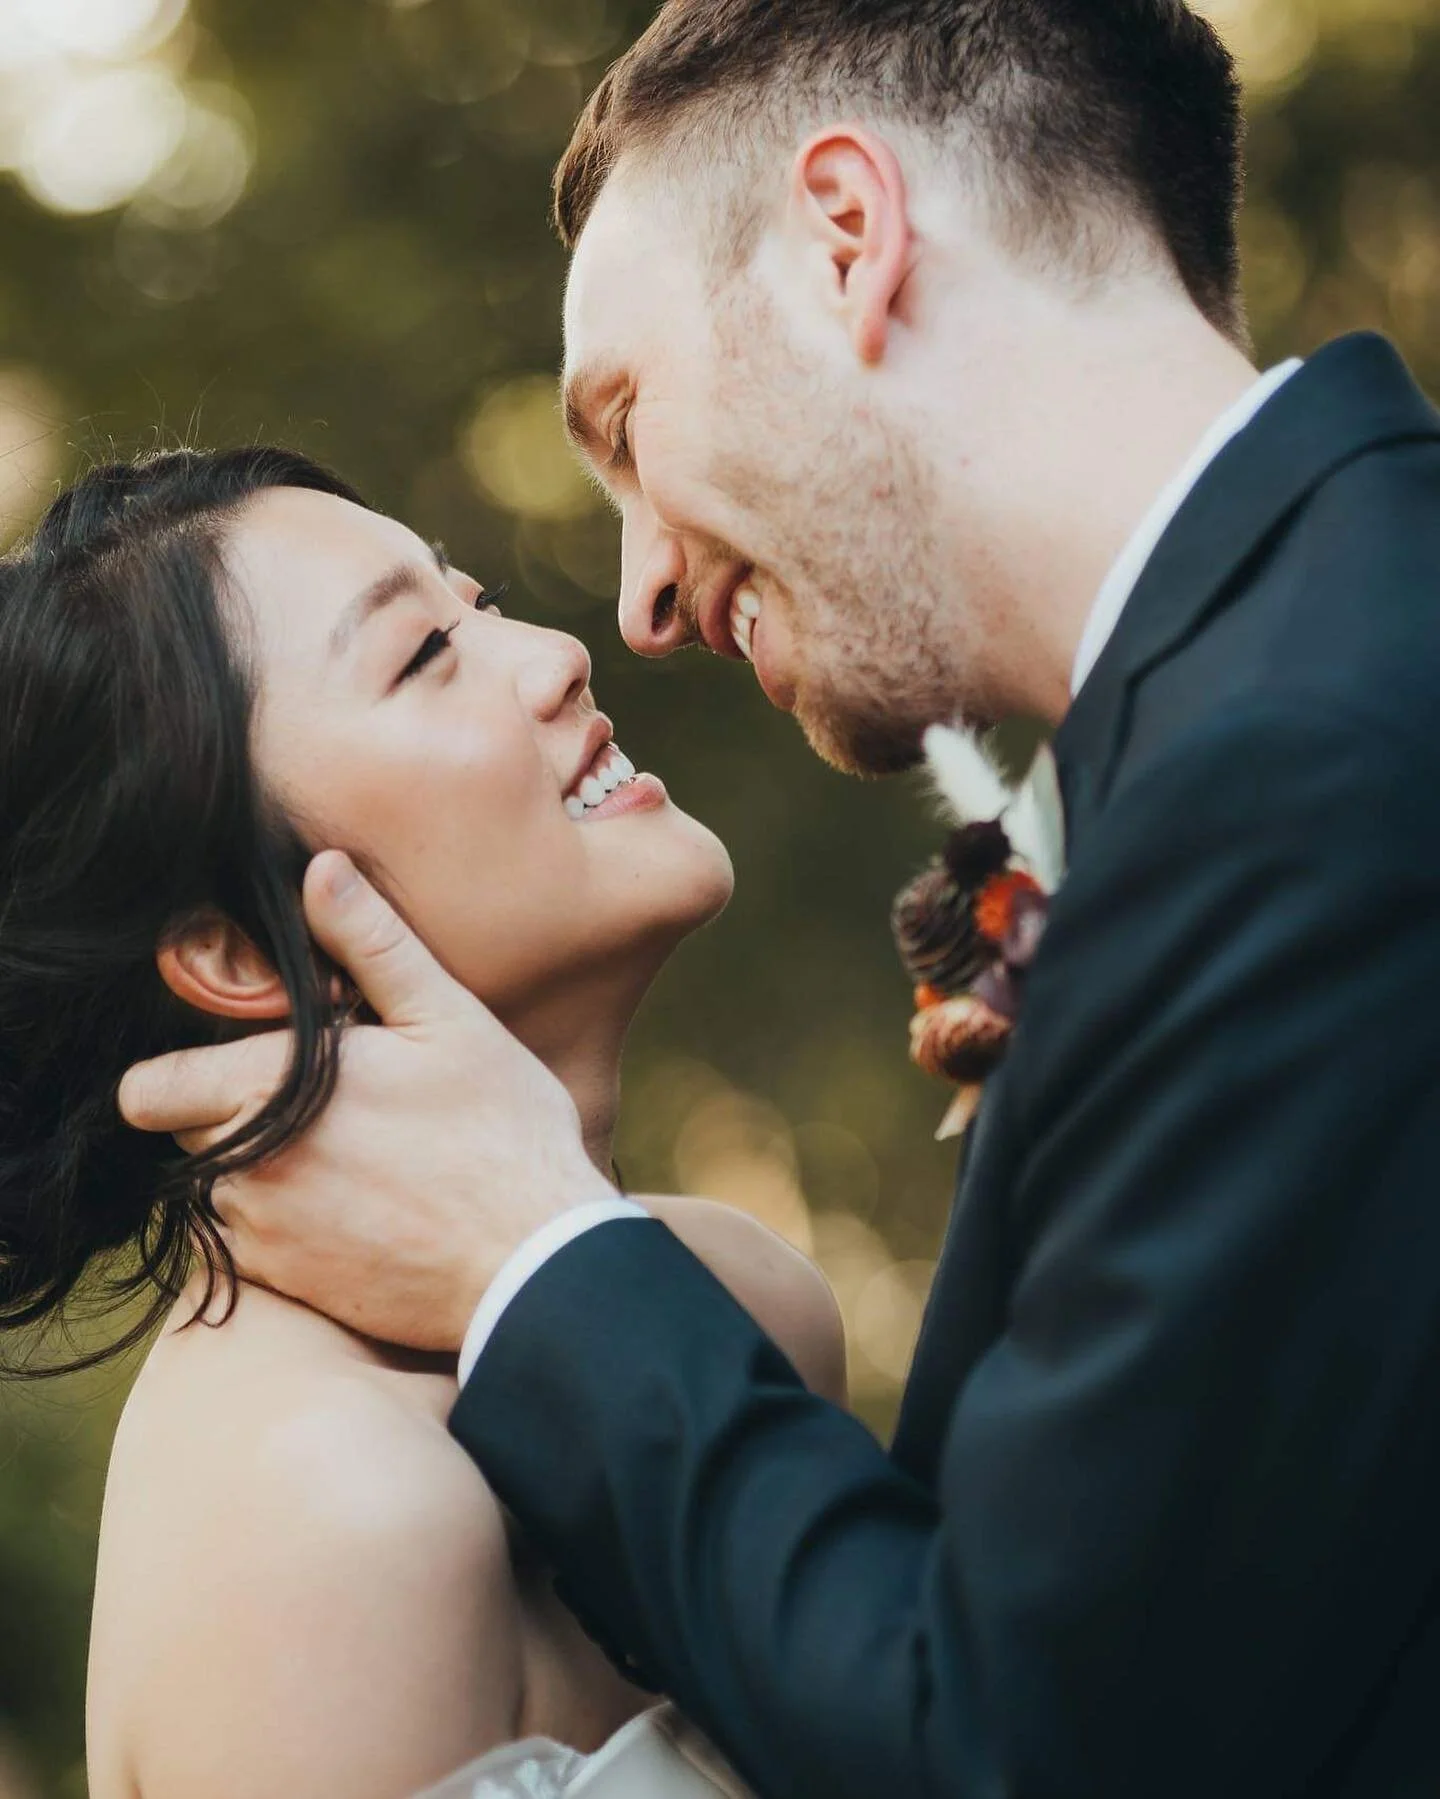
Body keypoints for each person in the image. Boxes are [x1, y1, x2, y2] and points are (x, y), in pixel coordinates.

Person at [119, 0, 1440, 1794]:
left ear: (848, 237)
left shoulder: (1313, 760)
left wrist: (533, 1256)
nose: (637, 600)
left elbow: (1027, 1743)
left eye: (628, 417)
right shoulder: (1300, 685)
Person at [0, 448, 846, 1797]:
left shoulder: (741, 1303)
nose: (557, 655)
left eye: (482, 602)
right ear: (239, 952)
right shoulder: (327, 1508)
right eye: (423, 654)